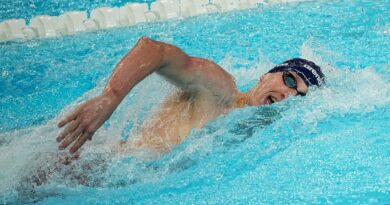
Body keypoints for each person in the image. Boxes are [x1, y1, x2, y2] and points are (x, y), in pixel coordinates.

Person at [57, 37, 325, 155]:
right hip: (81, 162)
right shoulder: (220, 90)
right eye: (290, 80)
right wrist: (110, 97)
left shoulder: (248, 136)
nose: (288, 94)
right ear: (266, 76)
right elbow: (154, 51)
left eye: (299, 95)